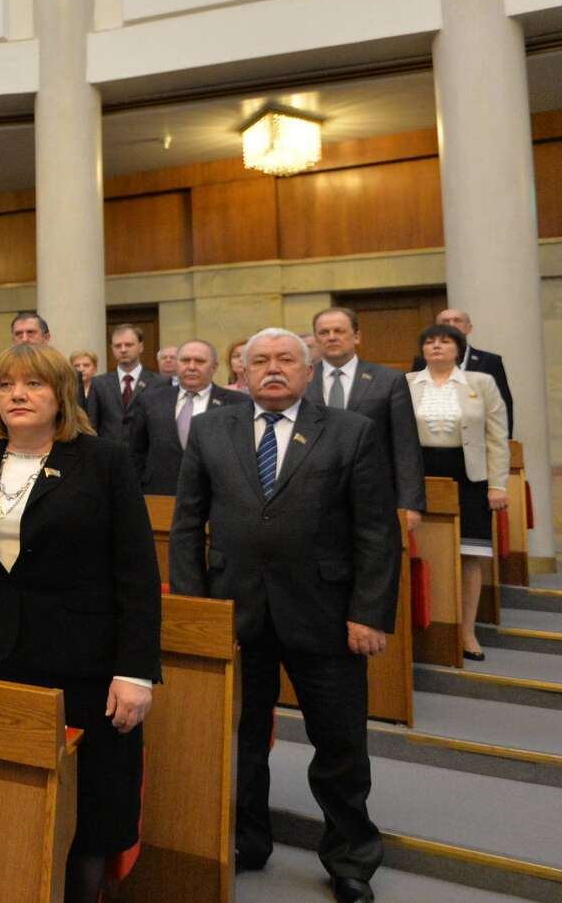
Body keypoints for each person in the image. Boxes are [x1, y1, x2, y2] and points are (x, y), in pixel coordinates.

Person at [0, 342, 160, 903]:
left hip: (86, 666)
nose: (17, 396)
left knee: (90, 814)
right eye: (6, 386)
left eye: (33, 385)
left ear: (62, 396)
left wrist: (136, 671)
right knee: (10, 803)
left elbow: (137, 575)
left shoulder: (104, 461)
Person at [169, 328, 397, 902]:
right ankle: (249, 840)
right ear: (241, 372)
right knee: (243, 737)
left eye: (286, 360)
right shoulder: (210, 428)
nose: (273, 369)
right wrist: (199, 613)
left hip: (327, 616)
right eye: (260, 361)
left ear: (309, 370)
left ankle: (350, 856)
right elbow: (188, 524)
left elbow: (376, 532)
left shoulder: (351, 433)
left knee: (339, 741)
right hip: (234, 611)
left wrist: (369, 613)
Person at [409, 323, 509, 660]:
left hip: (470, 477)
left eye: (445, 341)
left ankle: (467, 632)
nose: (437, 346)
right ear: (422, 350)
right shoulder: (406, 384)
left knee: (470, 555)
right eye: (430, 341)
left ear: (459, 348)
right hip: (419, 474)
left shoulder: (481, 383)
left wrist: (497, 484)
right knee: (423, 550)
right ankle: (427, 627)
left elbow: (497, 437)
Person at [308, 308, 426, 534]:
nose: (331, 336)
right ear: (316, 339)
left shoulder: (389, 381)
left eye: (339, 330)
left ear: (357, 336)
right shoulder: (302, 380)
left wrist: (410, 503)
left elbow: (405, 446)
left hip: (374, 495)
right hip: (314, 495)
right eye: (324, 332)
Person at [127, 339, 246, 496]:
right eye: (185, 360)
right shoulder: (150, 400)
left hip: (217, 495)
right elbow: (136, 451)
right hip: (160, 494)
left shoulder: (237, 403)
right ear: (176, 364)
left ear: (215, 366)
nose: (191, 367)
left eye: (200, 361)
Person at [408, 308, 513, 435]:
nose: (451, 325)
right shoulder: (421, 362)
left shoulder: (490, 360)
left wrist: (507, 438)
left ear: (469, 328)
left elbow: (502, 403)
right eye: (445, 321)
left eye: (457, 321)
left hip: (478, 437)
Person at [88, 324, 149, 441]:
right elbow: (92, 425)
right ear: (112, 348)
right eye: (117, 346)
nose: (123, 349)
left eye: (129, 345)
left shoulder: (158, 382)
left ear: (141, 347)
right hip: (109, 455)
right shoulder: (99, 384)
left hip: (145, 456)